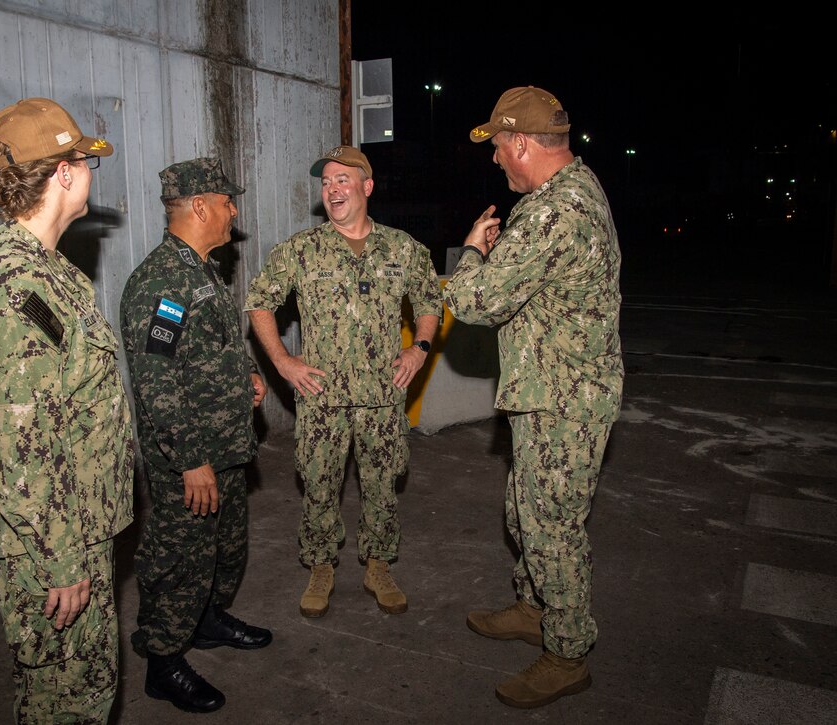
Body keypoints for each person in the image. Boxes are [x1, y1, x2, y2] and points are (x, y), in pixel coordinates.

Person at [0, 97, 133, 723]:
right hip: (51, 543)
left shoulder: (49, 272)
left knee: (83, 692)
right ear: (62, 173)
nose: (90, 173)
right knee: (67, 703)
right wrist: (60, 557)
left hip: (73, 526)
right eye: (85, 161)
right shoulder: (14, 286)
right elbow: (21, 445)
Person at [442, 86, 623, 709]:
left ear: (521, 142)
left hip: (564, 400)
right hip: (553, 386)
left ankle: (568, 651)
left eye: (498, 147)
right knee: (525, 509)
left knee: (552, 527)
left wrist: (471, 252)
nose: (495, 159)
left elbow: (474, 302)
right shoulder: (575, 187)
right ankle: (535, 607)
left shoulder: (552, 212)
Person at [245, 145, 442, 618]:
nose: (332, 190)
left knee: (381, 485)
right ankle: (321, 567)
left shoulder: (402, 248)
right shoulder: (300, 250)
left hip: (381, 395)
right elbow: (259, 304)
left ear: (366, 187)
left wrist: (419, 349)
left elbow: (429, 300)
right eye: (325, 182)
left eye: (341, 180)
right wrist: (284, 362)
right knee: (319, 484)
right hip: (323, 398)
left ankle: (378, 565)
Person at [120, 157, 271, 714]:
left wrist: (246, 377)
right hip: (192, 455)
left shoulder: (202, 268)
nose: (234, 211)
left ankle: (205, 621)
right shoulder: (163, 283)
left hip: (224, 444)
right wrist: (189, 460)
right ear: (201, 206)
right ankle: (163, 660)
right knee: (180, 557)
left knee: (223, 550)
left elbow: (208, 350)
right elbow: (156, 380)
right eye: (228, 202)